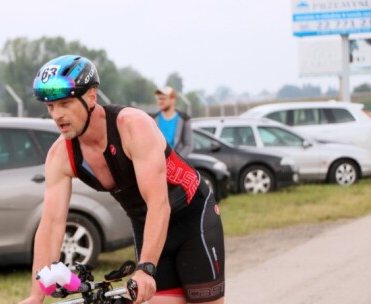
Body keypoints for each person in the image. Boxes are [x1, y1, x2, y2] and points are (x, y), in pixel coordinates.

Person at [18, 55, 225, 304]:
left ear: (91, 97)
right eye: (50, 106)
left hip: (192, 218)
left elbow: (158, 203)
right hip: (145, 225)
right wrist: (36, 295)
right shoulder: (60, 155)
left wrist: (146, 268)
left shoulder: (132, 126)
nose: (56, 115)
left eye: (64, 103)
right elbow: (51, 223)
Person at [151, 86, 194, 157]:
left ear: (173, 99)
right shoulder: (152, 119)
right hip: (157, 162)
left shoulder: (184, 119)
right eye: (159, 98)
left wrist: (177, 159)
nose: (160, 101)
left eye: (163, 99)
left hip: (175, 163)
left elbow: (189, 145)